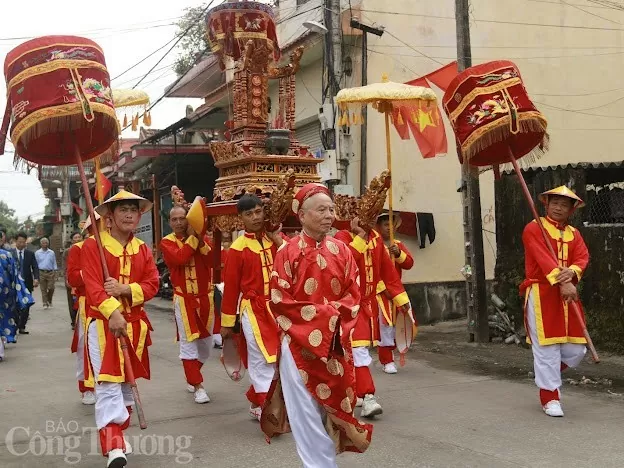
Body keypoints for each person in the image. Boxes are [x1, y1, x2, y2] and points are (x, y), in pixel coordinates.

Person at [261, 183, 372, 467]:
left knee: (334, 405)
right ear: (302, 216)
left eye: (331, 209)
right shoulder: (287, 252)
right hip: (298, 347)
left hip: (334, 343)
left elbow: (355, 293)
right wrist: (324, 316)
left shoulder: (343, 251)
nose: (329, 215)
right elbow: (278, 299)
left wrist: (331, 318)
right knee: (305, 413)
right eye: (321, 209)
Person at [82, 190, 159, 467]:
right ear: (109, 217)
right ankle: (113, 446)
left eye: (133, 210)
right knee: (107, 385)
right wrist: (112, 311)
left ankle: (118, 435)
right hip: (103, 326)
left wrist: (125, 289)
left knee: (126, 385)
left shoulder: (143, 248)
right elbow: (92, 286)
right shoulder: (93, 247)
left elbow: (153, 284)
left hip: (135, 326)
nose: (129, 214)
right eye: (123, 209)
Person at [521, 186, 589, 418]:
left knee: (577, 348)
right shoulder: (534, 228)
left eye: (564, 204)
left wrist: (571, 274)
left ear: (571, 209)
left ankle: (547, 374)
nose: (559, 207)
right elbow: (543, 258)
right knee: (547, 348)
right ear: (546, 204)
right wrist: (562, 281)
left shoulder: (575, 233)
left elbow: (582, 257)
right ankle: (549, 396)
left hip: (568, 294)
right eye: (555, 202)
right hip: (542, 294)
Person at [335, 216, 411, 418]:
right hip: (346, 305)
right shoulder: (341, 237)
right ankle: (368, 396)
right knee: (357, 351)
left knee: (356, 349)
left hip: (368, 305)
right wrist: (359, 239)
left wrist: (400, 298)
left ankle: (354, 392)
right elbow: (342, 264)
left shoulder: (376, 239)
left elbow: (388, 271)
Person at [220, 194, 284, 421]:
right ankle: (266, 407)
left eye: (258, 211)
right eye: (249, 214)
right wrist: (227, 324)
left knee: (280, 358)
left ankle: (258, 398)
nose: (255, 217)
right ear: (241, 218)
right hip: (253, 311)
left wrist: (279, 242)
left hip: (279, 309)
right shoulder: (237, 248)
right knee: (260, 359)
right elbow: (231, 290)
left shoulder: (274, 240)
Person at [160, 204, 218, 404]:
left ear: (188, 219)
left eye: (182, 218)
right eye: (174, 219)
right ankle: (198, 386)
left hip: (206, 299)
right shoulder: (166, 242)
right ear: (169, 222)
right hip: (184, 300)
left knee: (206, 346)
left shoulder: (202, 240)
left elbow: (212, 261)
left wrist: (199, 237)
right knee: (188, 344)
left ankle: (192, 374)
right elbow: (180, 257)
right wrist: (195, 237)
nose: (178, 223)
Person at [375, 212, 415, 374]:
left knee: (399, 323)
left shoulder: (397, 244)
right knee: (385, 327)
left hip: (397, 291)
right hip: (381, 292)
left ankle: (396, 353)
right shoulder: (374, 245)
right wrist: (383, 289)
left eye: (391, 224)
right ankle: (387, 360)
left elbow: (409, 264)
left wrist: (398, 253)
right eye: (385, 224)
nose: (388, 228)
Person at [67, 220, 97, 406]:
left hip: (112, 302)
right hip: (88, 304)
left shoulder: (114, 246)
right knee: (85, 347)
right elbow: (72, 278)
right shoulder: (78, 248)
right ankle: (87, 387)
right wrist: (92, 273)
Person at [0, 233, 34, 361]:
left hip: (4, 295)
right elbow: (15, 277)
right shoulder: (7, 255)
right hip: (5, 295)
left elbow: (15, 276)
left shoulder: (6, 255)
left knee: (3, 321)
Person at [14, 231, 39, 334]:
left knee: (26, 305)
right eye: (19, 242)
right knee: (15, 306)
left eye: (23, 242)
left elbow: (35, 267)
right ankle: (15, 324)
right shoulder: (9, 253)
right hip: (14, 283)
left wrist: (36, 278)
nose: (21, 244)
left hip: (26, 283)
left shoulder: (30, 254)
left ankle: (22, 326)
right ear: (16, 241)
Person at [65, 231, 84, 329]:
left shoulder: (85, 248)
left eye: (79, 237)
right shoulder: (68, 251)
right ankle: (74, 321)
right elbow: (66, 267)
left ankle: (79, 319)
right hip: (72, 278)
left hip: (82, 279)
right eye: (75, 238)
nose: (77, 239)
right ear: (72, 240)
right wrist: (67, 279)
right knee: (71, 301)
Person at [35, 237, 57, 309]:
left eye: (46, 242)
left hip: (50, 272)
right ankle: (45, 303)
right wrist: (35, 275)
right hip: (41, 272)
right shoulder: (37, 253)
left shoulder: (51, 252)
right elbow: (36, 264)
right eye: (43, 243)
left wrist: (55, 271)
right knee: (43, 289)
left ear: (48, 243)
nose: (45, 244)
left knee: (51, 288)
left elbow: (54, 262)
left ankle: (49, 300)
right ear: (41, 244)